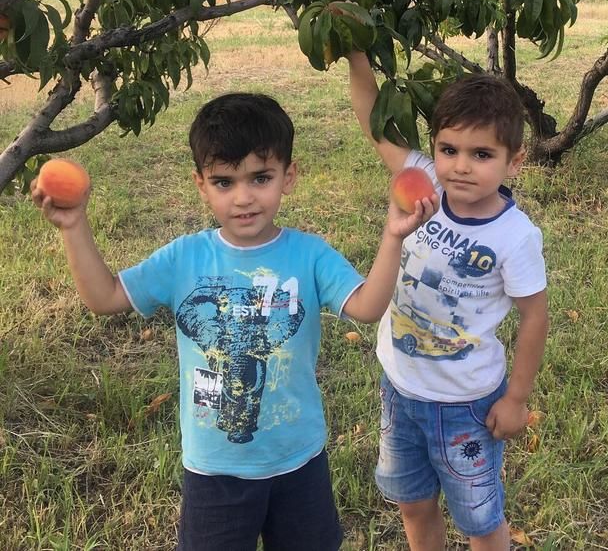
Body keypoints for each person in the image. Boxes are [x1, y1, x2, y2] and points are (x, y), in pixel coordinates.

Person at [31, 92, 436, 551]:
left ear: (289, 176)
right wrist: (74, 226)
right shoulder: (184, 258)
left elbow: (367, 307)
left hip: (298, 460)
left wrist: (392, 237)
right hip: (214, 469)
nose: (244, 198)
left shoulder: (309, 254)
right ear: (200, 184)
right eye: (224, 182)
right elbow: (104, 297)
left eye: (260, 178)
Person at [347, 52, 549, 551]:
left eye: (481, 155)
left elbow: (534, 317)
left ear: (514, 161)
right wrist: (356, 54)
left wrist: (517, 398)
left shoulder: (514, 236)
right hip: (401, 389)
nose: (460, 167)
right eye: (448, 149)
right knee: (412, 503)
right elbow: (374, 125)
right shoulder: (423, 183)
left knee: (479, 520)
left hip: (467, 404)